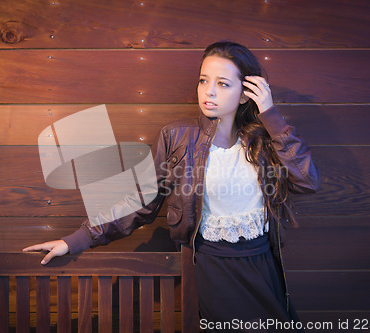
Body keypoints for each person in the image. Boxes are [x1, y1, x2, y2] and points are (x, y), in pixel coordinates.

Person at [24, 41, 320, 332]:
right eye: (204, 80)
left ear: (246, 94)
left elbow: (306, 182)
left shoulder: (265, 140)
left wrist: (271, 116)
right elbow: (141, 202)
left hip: (264, 266)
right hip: (212, 266)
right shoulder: (177, 137)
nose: (209, 91)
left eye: (223, 84)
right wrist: (78, 238)